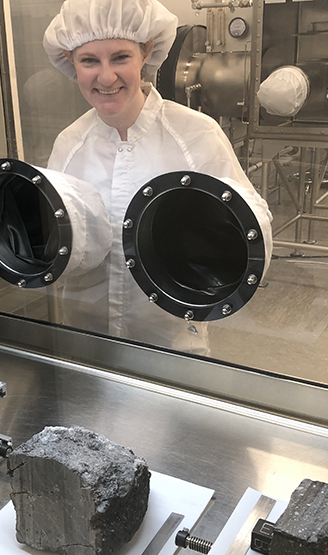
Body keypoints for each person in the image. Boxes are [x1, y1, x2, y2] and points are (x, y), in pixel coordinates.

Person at [43, 0, 272, 354]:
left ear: (146, 52)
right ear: (71, 62)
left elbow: (249, 224)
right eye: (90, 60)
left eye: (120, 57)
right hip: (85, 343)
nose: (106, 77)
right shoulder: (69, 144)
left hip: (172, 349)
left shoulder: (195, 135)